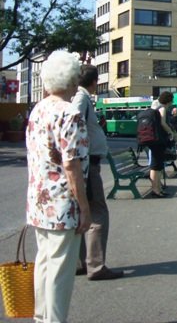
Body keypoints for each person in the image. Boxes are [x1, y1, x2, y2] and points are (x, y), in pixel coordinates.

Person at [26, 51, 91, 322]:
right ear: (72, 80)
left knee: (44, 263)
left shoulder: (38, 110)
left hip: (39, 202)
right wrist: (85, 207)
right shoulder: (70, 114)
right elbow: (72, 164)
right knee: (60, 272)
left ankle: (41, 317)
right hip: (64, 204)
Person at [71, 65, 124, 281]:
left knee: (85, 213)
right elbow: (74, 126)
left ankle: (82, 262)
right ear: (94, 81)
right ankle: (95, 265)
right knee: (98, 213)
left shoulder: (81, 98)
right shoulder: (81, 99)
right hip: (87, 165)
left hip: (85, 163)